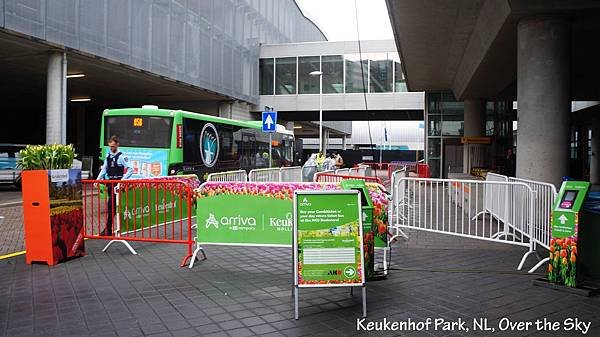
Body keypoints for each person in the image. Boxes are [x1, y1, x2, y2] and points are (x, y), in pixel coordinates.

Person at [96, 136, 133, 236]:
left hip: (117, 183)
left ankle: (109, 229)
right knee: (111, 207)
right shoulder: (108, 155)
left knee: (112, 206)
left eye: (113, 146)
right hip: (110, 183)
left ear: (117, 144)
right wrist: (97, 180)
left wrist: (122, 181)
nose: (111, 148)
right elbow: (104, 169)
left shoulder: (121, 156)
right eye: (110, 147)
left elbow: (130, 169)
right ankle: (110, 229)